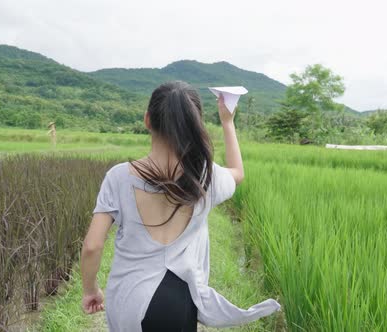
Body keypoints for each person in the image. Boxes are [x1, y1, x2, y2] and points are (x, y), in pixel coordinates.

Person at [79, 81, 281, 331]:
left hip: (128, 300)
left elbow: (92, 246)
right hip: (178, 303)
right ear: (193, 125)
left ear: (147, 120)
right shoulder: (205, 177)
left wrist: (91, 290)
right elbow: (238, 173)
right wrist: (228, 122)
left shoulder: (118, 177)